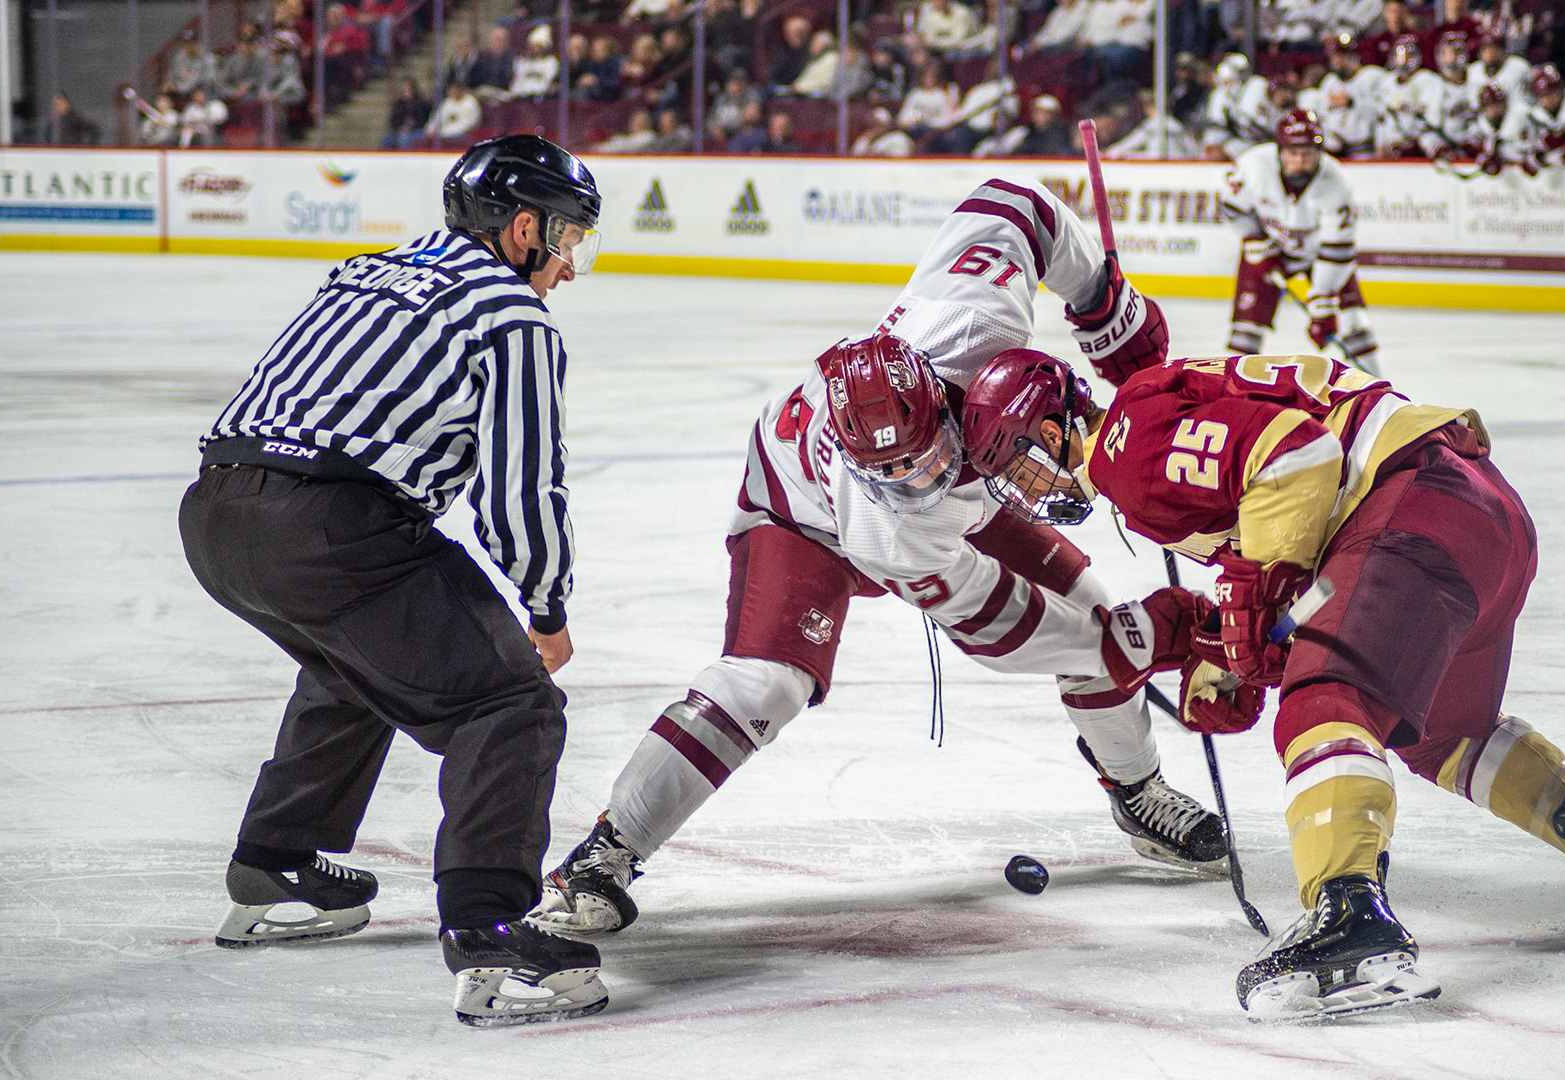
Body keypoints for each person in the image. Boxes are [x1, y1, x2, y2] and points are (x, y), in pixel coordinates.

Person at [526, 179, 1212, 942]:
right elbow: (998, 629)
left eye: (933, 463)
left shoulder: (971, 316)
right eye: (908, 475)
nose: (921, 480)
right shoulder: (903, 519)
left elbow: (1016, 202)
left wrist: (1103, 304)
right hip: (801, 513)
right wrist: (1132, 643)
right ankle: (607, 851)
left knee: (1093, 605)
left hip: (953, 483)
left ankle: (1137, 790)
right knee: (766, 684)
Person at [959, 347, 1565, 1022]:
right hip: (1475, 516)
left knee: (1323, 702)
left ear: (1049, 430)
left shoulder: (1126, 449)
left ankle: (1352, 917)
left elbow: (1294, 454)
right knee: (1443, 737)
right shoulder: (1157, 413)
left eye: (1016, 466)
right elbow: (1295, 529)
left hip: (1414, 506)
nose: (1022, 492)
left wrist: (1254, 601)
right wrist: (1240, 644)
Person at [177, 135, 607, 1028]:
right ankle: (488, 925)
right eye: (566, 239)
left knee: (357, 661)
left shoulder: (364, 271)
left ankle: (276, 858)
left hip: (217, 512)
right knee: (511, 705)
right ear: (523, 227)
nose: (569, 266)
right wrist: (546, 606)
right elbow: (520, 490)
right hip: (331, 527)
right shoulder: (513, 317)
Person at [1219, 110, 1378, 371]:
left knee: (1353, 324)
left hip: (1319, 255)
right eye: (1292, 153)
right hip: (1270, 250)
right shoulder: (1252, 166)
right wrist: (1255, 241)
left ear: (1320, 152)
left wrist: (1323, 305)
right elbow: (1232, 209)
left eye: (1307, 153)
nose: (1299, 161)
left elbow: (1338, 249)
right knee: (1245, 332)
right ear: (1280, 150)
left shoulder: (1336, 183)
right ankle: (1232, 390)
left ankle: (1378, 386)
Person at [1315, 32, 1391, 159]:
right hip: (1335, 152)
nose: (1336, 62)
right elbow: (1324, 116)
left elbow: (1383, 113)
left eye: (1341, 56)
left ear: (1353, 57)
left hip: (1365, 151)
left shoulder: (1373, 77)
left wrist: (1351, 103)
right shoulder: (1329, 82)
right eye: (1333, 58)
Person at [1468, 27, 1529, 103]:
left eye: (1494, 48)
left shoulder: (1519, 67)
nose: (1490, 53)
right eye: (1485, 49)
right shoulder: (1473, 71)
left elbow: (1524, 102)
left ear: (1503, 50)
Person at [851, 105, 917, 155]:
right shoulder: (868, 140)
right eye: (870, 125)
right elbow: (854, 157)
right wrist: (865, 139)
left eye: (876, 124)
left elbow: (899, 163)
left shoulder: (898, 139)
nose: (873, 128)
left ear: (885, 125)